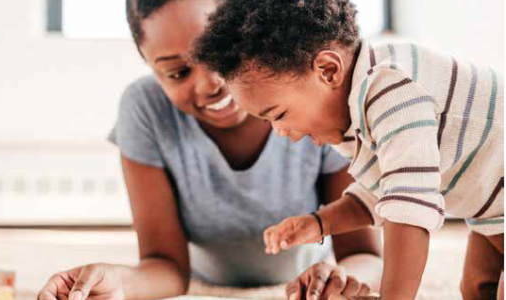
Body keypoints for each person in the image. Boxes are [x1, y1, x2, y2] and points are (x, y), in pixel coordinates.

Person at [38, 1, 383, 300]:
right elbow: (166, 266)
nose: (212, 84)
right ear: (150, 66)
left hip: (310, 270)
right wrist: (118, 281)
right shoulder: (144, 109)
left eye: (222, 52)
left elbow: (364, 254)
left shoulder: (313, 100)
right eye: (178, 72)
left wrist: (340, 278)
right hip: (203, 278)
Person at [191, 0, 504, 299]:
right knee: (478, 289)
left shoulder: (390, 88)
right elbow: (382, 191)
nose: (282, 133)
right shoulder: (356, 118)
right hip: (492, 208)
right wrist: (320, 222)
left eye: (279, 115)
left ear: (328, 70)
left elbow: (408, 207)